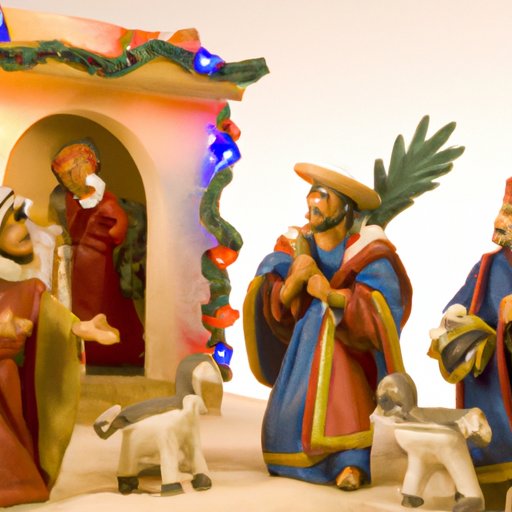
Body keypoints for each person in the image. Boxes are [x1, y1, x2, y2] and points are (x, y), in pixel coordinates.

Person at [244, 163, 412, 490]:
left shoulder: (368, 251)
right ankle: (286, 454)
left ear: (347, 209)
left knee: (345, 404)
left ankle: (349, 461)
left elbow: (381, 306)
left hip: (345, 348)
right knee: (293, 410)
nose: (313, 202)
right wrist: (294, 281)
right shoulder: (296, 245)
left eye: (324, 196)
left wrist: (333, 296)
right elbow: (271, 295)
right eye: (312, 194)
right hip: (304, 348)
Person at [429, 177, 512, 495]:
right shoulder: (488, 265)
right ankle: (487, 482)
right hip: (489, 370)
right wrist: (455, 318)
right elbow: (459, 304)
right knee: (487, 430)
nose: (500, 221)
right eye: (503, 211)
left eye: (509, 214)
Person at [51, 140, 145, 367]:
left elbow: (118, 230)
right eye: (65, 176)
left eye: (73, 173)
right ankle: (90, 350)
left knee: (105, 304)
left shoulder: (106, 201)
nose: (70, 180)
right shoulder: (67, 200)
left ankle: (113, 350)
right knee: (85, 305)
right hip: (81, 264)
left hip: (100, 265)